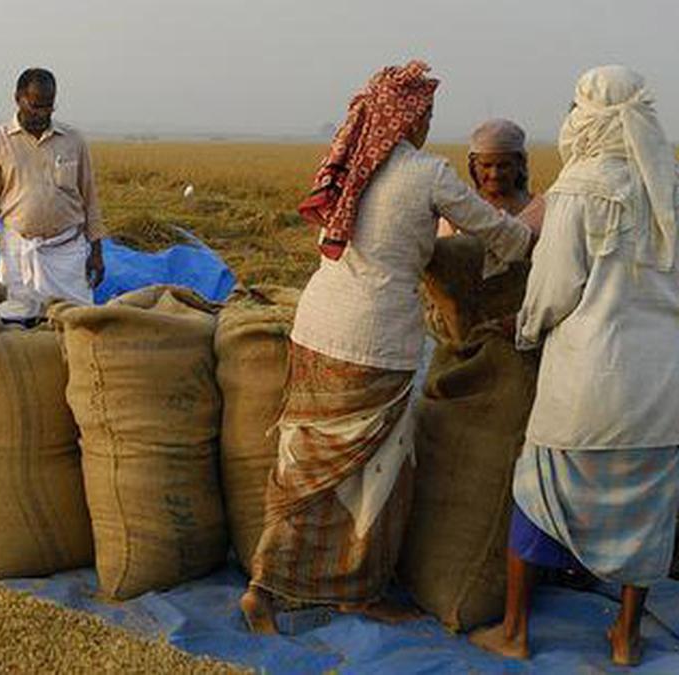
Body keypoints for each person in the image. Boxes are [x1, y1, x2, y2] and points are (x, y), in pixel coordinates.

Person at [240, 61, 534, 633]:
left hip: (317, 328)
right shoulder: (426, 173)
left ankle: (265, 587)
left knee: (305, 462)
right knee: (381, 472)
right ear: (411, 117)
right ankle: (351, 592)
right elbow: (500, 232)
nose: (427, 124)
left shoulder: (350, 166)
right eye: (426, 114)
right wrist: (543, 245)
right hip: (375, 341)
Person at [469, 65, 679, 667]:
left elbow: (554, 286)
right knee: (648, 506)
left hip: (590, 381)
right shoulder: (669, 185)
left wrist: (525, 330)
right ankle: (626, 636)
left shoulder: (577, 190)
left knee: (537, 491)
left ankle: (514, 630)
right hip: (660, 384)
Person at [0, 68, 105, 321]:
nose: (42, 113)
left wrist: (97, 252)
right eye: (35, 106)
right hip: (18, 250)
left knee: (75, 321)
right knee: (14, 322)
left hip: (67, 252)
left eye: (48, 106)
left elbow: (89, 197)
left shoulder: (73, 141)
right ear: (18, 98)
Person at [438, 118, 546, 239]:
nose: (494, 174)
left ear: (519, 164)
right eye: (486, 165)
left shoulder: (543, 211)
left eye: (504, 166)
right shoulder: (458, 207)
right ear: (473, 166)